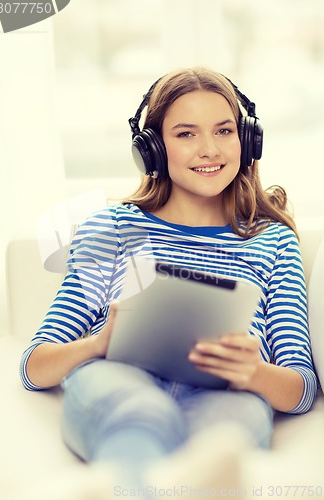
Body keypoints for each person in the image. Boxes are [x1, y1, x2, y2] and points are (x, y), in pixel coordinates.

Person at [20, 67, 317, 494]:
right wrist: (99, 343)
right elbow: (35, 366)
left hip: (228, 395)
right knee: (137, 411)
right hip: (120, 377)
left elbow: (301, 389)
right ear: (153, 150)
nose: (210, 149)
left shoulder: (272, 242)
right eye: (186, 134)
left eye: (224, 130)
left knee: (224, 437)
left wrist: (251, 372)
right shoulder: (111, 228)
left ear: (247, 139)